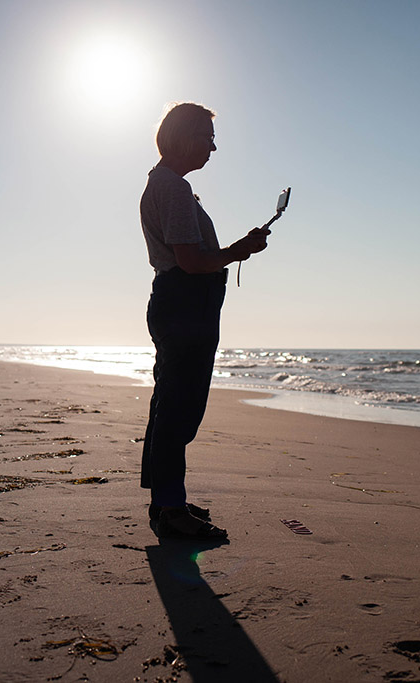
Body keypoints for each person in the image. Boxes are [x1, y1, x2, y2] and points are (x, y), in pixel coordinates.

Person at [139, 102, 271, 540]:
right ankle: (171, 510)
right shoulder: (173, 188)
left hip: (178, 302)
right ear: (184, 138)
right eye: (207, 137)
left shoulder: (166, 185)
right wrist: (240, 250)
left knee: (170, 406)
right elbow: (192, 261)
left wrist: (234, 251)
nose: (213, 148)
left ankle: (166, 501)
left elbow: (189, 260)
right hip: (184, 304)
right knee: (179, 409)